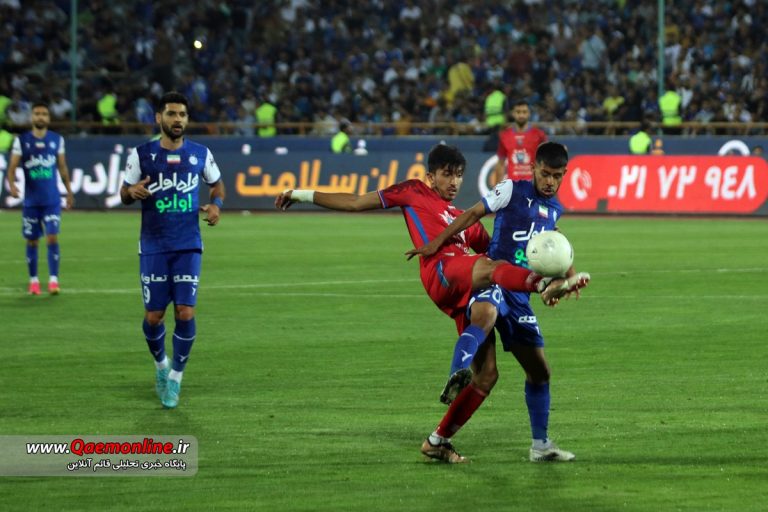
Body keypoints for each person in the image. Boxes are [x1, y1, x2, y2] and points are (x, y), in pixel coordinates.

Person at [276, 143, 588, 461]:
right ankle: (534, 292)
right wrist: (300, 194)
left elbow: (497, 245)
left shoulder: (463, 220)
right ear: (430, 176)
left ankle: (439, 440)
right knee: (490, 277)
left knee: (490, 373)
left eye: (459, 176)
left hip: (470, 286)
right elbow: (355, 202)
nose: (454, 182)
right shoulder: (414, 192)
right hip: (443, 271)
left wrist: (561, 263)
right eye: (446, 175)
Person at [408, 142, 588, 463]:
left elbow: (554, 245)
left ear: (564, 174)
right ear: (534, 168)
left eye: (557, 176)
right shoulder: (510, 189)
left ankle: (540, 445)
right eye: (545, 174)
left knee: (539, 371)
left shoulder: (555, 209)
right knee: (484, 316)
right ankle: (457, 372)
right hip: (492, 276)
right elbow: (472, 214)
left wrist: (567, 278)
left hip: (521, 293)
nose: (550, 181)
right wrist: (437, 242)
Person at [120, 91, 226, 409]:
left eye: (182, 114)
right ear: (159, 118)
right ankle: (161, 366)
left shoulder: (200, 154)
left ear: (187, 119)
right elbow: (123, 193)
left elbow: (217, 185)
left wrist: (216, 205)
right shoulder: (142, 155)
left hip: (188, 244)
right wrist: (132, 191)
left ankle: (176, 377)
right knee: (154, 317)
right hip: (154, 244)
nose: (177, 119)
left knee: (185, 311)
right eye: (171, 114)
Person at [5, 102, 74, 295]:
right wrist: (12, 185)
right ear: (32, 117)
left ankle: (53, 280)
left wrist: (69, 192)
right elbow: (12, 168)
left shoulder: (57, 140)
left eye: (44, 114)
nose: (40, 117)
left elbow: (62, 168)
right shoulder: (22, 141)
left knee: (52, 236)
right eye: (37, 113)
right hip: (31, 202)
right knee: (32, 241)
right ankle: (33, 281)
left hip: (52, 200)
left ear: (48, 118)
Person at [492, 100, 548, 184]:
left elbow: (546, 161)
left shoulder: (539, 135)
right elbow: (501, 164)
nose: (521, 115)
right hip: (513, 185)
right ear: (513, 113)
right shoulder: (505, 135)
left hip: (532, 184)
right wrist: (497, 187)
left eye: (524, 112)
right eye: (518, 112)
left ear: (529, 114)